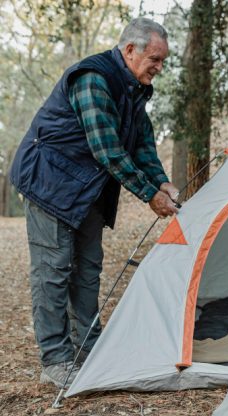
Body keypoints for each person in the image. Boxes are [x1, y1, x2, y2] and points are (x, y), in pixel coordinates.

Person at [10, 18, 179, 388]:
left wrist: (162, 181)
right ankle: (55, 360)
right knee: (53, 270)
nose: (159, 67)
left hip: (87, 189)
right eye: (155, 58)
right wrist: (149, 194)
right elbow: (108, 150)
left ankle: (88, 349)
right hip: (50, 182)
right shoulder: (93, 78)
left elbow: (142, 144)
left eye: (163, 60)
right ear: (130, 50)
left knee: (88, 269)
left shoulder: (136, 88)